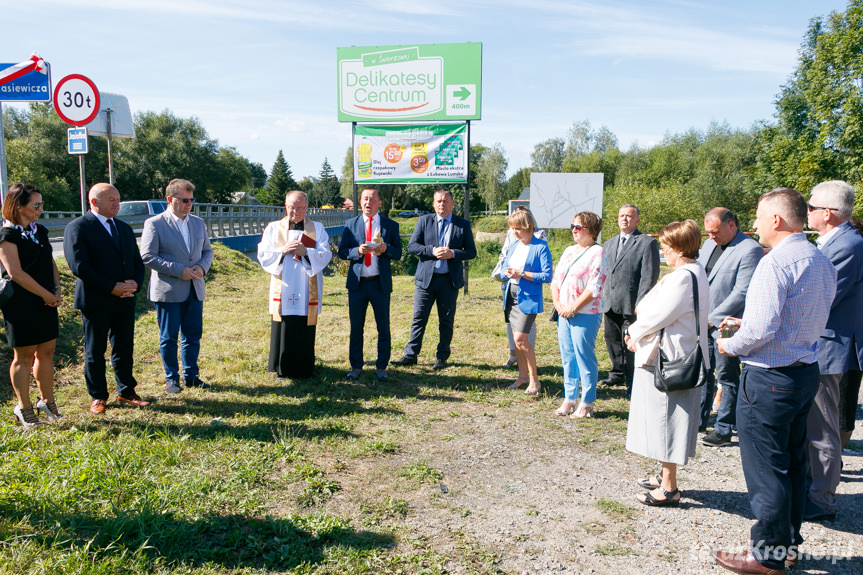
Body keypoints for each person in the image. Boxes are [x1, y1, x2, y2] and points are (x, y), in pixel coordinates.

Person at [713, 188, 836, 575]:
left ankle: (767, 556)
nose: (754, 224)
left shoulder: (775, 263)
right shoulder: (820, 258)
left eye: (759, 217)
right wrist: (746, 326)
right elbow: (796, 317)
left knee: (767, 469)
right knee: (793, 463)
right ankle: (788, 544)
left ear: (777, 220)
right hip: (803, 370)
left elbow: (762, 328)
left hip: (769, 377)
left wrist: (729, 343)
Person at [624, 220, 708, 507]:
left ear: (678, 248)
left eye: (665, 247)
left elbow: (656, 314)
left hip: (670, 360)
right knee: (663, 418)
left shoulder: (684, 277)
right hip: (673, 354)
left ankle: (670, 487)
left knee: (667, 419)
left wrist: (633, 332)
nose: (663, 252)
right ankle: (663, 476)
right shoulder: (693, 273)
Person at [802, 180, 863, 522]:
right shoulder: (838, 241)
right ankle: (815, 489)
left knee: (823, 428)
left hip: (828, 347)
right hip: (823, 344)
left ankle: (823, 500)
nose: (806, 212)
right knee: (816, 424)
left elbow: (822, 297)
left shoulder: (847, 245)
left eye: (810, 208)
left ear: (827, 213)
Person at [64, 183, 148, 414]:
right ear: (94, 202)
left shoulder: (123, 228)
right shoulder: (78, 227)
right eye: (111, 199)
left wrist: (135, 283)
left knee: (123, 347)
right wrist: (111, 287)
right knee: (95, 350)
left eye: (118, 199)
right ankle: (98, 396)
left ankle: (127, 391)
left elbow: (137, 262)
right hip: (96, 300)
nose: (116, 203)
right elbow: (79, 266)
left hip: (125, 299)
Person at [141, 178, 214, 394]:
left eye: (191, 200)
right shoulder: (155, 223)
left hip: (194, 288)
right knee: (169, 337)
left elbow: (207, 251)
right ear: (170, 200)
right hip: (168, 290)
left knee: (192, 336)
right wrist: (178, 269)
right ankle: (171, 379)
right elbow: (147, 256)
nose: (189, 204)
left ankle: (191, 376)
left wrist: (202, 268)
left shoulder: (198, 223)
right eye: (184, 200)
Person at [697, 208, 763, 445]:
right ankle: (699, 419)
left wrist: (712, 319)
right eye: (708, 233)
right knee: (704, 371)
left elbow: (742, 292)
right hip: (703, 320)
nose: (711, 237)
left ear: (732, 225)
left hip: (728, 323)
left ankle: (724, 427)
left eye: (715, 232)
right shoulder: (708, 245)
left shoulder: (750, 249)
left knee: (726, 375)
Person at [392, 188, 477, 370]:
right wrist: (432, 251)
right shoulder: (424, 221)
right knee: (418, 318)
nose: (442, 204)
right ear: (433, 203)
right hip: (426, 281)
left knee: (446, 320)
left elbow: (472, 252)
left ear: (452, 203)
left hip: (449, 281)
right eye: (438, 201)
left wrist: (453, 253)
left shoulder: (463, 224)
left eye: (445, 201)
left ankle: (442, 356)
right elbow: (412, 246)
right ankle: (410, 355)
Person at [0, 183, 63, 427]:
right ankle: (23, 407)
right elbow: (14, 273)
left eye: (41, 205)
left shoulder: (40, 231)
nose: (40, 209)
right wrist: (45, 295)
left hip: (47, 299)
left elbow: (50, 262)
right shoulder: (7, 235)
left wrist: (55, 290)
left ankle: (46, 400)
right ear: (18, 206)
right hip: (21, 302)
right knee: (24, 356)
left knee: (46, 352)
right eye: (35, 205)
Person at [257, 191, 332, 379]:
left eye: (300, 208)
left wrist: (305, 252)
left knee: (305, 325)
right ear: (285, 205)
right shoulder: (274, 228)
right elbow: (263, 254)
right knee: (284, 323)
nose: (295, 211)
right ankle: (281, 368)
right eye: (292, 207)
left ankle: (305, 368)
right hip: (284, 285)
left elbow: (325, 254)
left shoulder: (317, 228)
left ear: (306, 208)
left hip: (307, 288)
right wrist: (282, 251)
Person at [338, 187, 402, 382]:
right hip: (357, 285)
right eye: (365, 199)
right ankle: (356, 366)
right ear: (360, 202)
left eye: (372, 200)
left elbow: (398, 252)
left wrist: (386, 249)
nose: (368, 203)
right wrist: (357, 250)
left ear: (379, 203)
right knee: (356, 327)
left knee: (383, 326)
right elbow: (342, 252)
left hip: (379, 284)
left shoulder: (390, 225)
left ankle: (382, 366)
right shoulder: (351, 224)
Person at [551, 211, 607, 417]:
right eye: (572, 226)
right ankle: (569, 398)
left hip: (585, 313)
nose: (574, 230)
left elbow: (594, 288)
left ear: (591, 231)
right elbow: (556, 280)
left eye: (578, 227)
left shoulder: (597, 253)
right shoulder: (568, 251)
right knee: (568, 357)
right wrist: (558, 304)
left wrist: (572, 308)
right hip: (563, 313)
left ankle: (587, 402)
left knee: (584, 356)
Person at [601, 204, 660, 396]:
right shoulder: (609, 243)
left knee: (630, 343)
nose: (624, 219)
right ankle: (617, 372)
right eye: (621, 216)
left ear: (637, 220)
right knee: (612, 339)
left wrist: (640, 303)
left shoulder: (646, 243)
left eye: (629, 216)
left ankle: (632, 381)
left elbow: (649, 276)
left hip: (631, 303)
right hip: (610, 302)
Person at [500, 208, 553, 395]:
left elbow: (547, 276)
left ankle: (534, 380)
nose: (514, 232)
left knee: (521, 340)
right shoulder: (515, 245)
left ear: (528, 226)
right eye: (512, 228)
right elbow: (504, 266)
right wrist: (504, 272)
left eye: (518, 228)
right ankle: (522, 376)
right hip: (511, 295)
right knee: (516, 342)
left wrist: (521, 274)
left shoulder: (540, 247)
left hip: (527, 298)